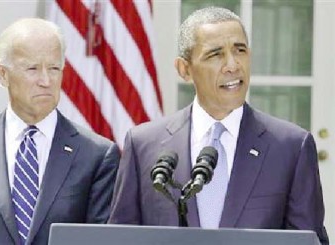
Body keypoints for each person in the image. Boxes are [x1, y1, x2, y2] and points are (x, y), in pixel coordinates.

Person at [108, 6, 329, 245]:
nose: (233, 65)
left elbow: (308, 239)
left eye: (240, 50)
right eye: (215, 54)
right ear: (185, 70)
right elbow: (121, 237)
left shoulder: (291, 147)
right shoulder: (144, 145)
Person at [0, 18, 120, 244]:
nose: (46, 80)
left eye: (54, 68)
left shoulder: (97, 155)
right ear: (2, 74)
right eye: (32, 68)